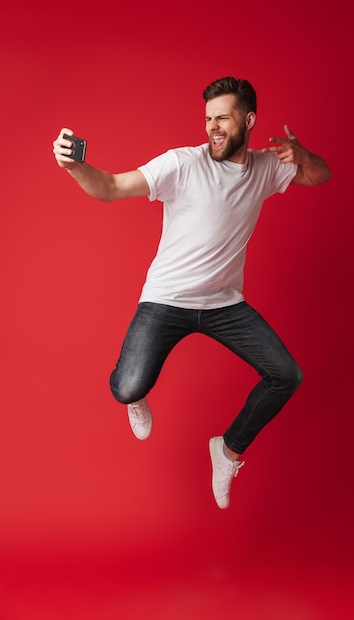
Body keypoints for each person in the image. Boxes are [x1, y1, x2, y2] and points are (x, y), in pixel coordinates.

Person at [52, 76, 332, 509]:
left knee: (286, 375)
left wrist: (306, 155)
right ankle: (137, 392)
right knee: (126, 387)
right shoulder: (182, 164)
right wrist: (76, 167)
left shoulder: (266, 166)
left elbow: (319, 176)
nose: (213, 128)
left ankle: (228, 449)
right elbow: (109, 187)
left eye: (222, 118)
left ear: (249, 119)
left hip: (225, 305)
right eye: (207, 119)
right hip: (166, 300)